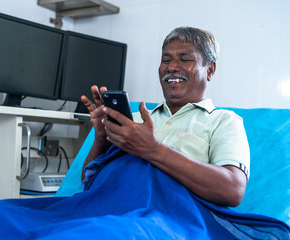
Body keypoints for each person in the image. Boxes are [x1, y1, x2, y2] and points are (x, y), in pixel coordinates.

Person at [80, 26, 250, 207]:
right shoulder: (132, 120)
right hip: (111, 206)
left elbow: (233, 190)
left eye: (185, 59)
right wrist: (101, 139)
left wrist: (153, 150)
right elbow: (87, 183)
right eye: (165, 60)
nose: (172, 67)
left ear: (210, 70)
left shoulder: (223, 121)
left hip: (167, 219)